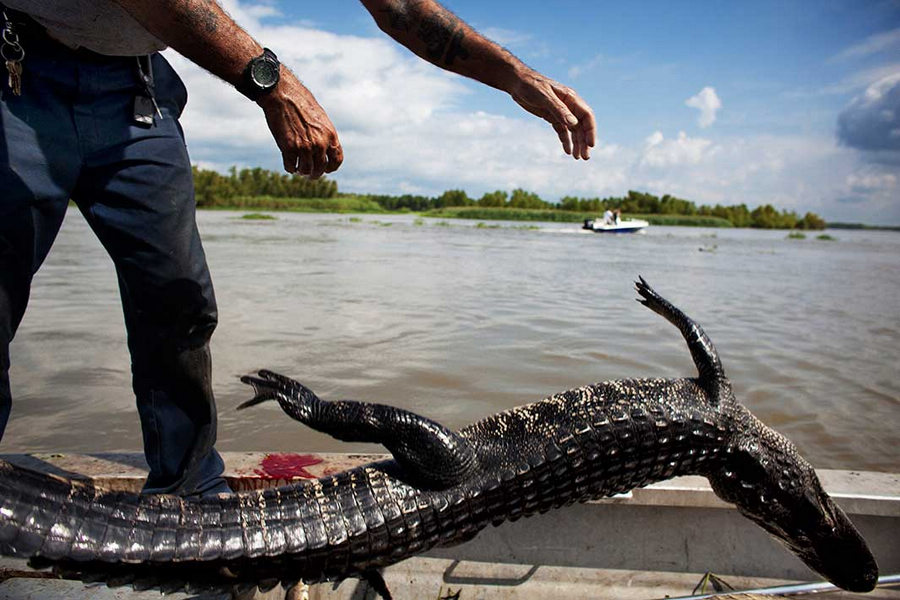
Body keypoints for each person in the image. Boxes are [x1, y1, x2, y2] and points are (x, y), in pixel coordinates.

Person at [0, 0, 595, 497]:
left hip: (134, 85)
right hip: (16, 69)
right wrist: (272, 83)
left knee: (180, 302)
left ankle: (187, 494)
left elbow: (404, 7)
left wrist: (514, 75)